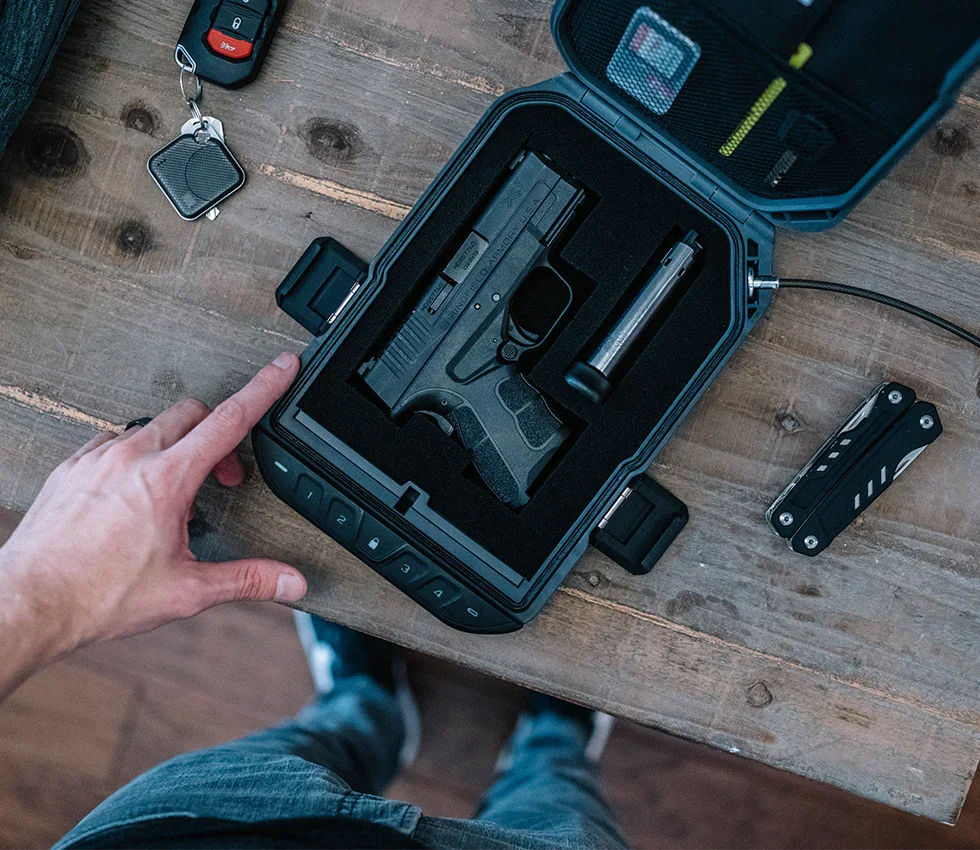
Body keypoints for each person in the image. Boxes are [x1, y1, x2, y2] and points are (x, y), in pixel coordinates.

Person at [0, 353, 628, 850]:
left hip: (196, 826)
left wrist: (41, 587)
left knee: (323, 739)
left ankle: (365, 705)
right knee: (554, 793)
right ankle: (553, 743)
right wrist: (40, 592)